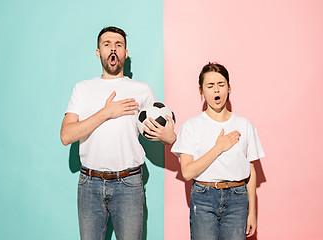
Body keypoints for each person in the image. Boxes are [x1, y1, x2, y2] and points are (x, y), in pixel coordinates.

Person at [60, 26, 176, 240]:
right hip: (89, 184)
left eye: (118, 45)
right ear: (98, 52)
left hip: (129, 184)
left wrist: (170, 138)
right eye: (107, 45)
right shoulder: (82, 88)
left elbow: (162, 130)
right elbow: (66, 136)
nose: (113, 49)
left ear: (125, 53)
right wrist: (106, 113)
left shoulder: (142, 90)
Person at [171, 62, 265, 240]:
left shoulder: (245, 125)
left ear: (229, 88)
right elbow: (187, 172)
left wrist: (252, 212)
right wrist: (219, 147)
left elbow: (251, 171)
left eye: (221, 85)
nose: (216, 90)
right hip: (203, 198)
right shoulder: (191, 126)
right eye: (210, 86)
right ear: (201, 91)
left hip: (238, 199)